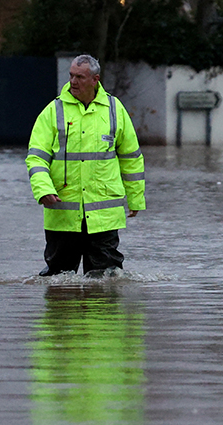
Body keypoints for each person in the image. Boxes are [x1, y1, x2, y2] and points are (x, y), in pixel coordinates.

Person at [26, 54, 145, 277]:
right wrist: (43, 190)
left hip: (104, 217)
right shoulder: (53, 111)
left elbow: (131, 157)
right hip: (63, 214)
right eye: (71, 76)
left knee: (106, 282)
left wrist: (136, 198)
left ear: (95, 80)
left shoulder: (114, 109)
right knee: (58, 282)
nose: (73, 82)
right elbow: (36, 158)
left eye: (80, 77)